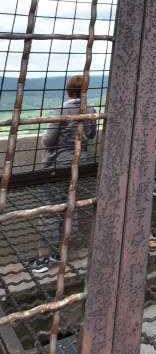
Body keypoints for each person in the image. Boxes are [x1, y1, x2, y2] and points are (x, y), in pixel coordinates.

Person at [27, 74, 97, 274]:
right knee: (69, 208)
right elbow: (91, 134)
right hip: (79, 163)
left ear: (68, 91)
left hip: (57, 165)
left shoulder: (62, 110)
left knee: (49, 208)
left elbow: (47, 141)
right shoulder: (90, 108)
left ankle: (42, 259)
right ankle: (60, 253)